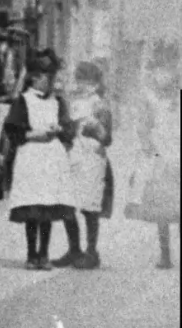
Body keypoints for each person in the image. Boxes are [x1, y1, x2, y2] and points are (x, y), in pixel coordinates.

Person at [5, 47, 77, 270]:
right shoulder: (23, 101)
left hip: (52, 158)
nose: (50, 82)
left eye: (52, 77)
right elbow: (13, 130)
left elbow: (68, 128)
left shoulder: (57, 102)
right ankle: (31, 254)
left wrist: (60, 129)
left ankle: (44, 253)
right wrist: (34, 134)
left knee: (47, 206)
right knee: (32, 205)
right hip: (31, 155)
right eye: (46, 77)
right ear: (34, 78)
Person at [125, 42, 181, 269]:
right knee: (162, 206)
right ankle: (165, 253)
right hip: (160, 154)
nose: (163, 76)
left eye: (167, 71)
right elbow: (143, 127)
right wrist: (150, 148)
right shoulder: (149, 98)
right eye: (158, 72)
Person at [54, 60, 114, 270]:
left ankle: (91, 251)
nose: (82, 85)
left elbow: (107, 139)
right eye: (79, 81)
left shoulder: (100, 106)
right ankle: (74, 249)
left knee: (89, 208)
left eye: (87, 82)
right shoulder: (74, 103)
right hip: (74, 156)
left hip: (93, 159)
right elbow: (68, 130)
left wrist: (96, 127)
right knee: (66, 203)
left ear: (96, 84)